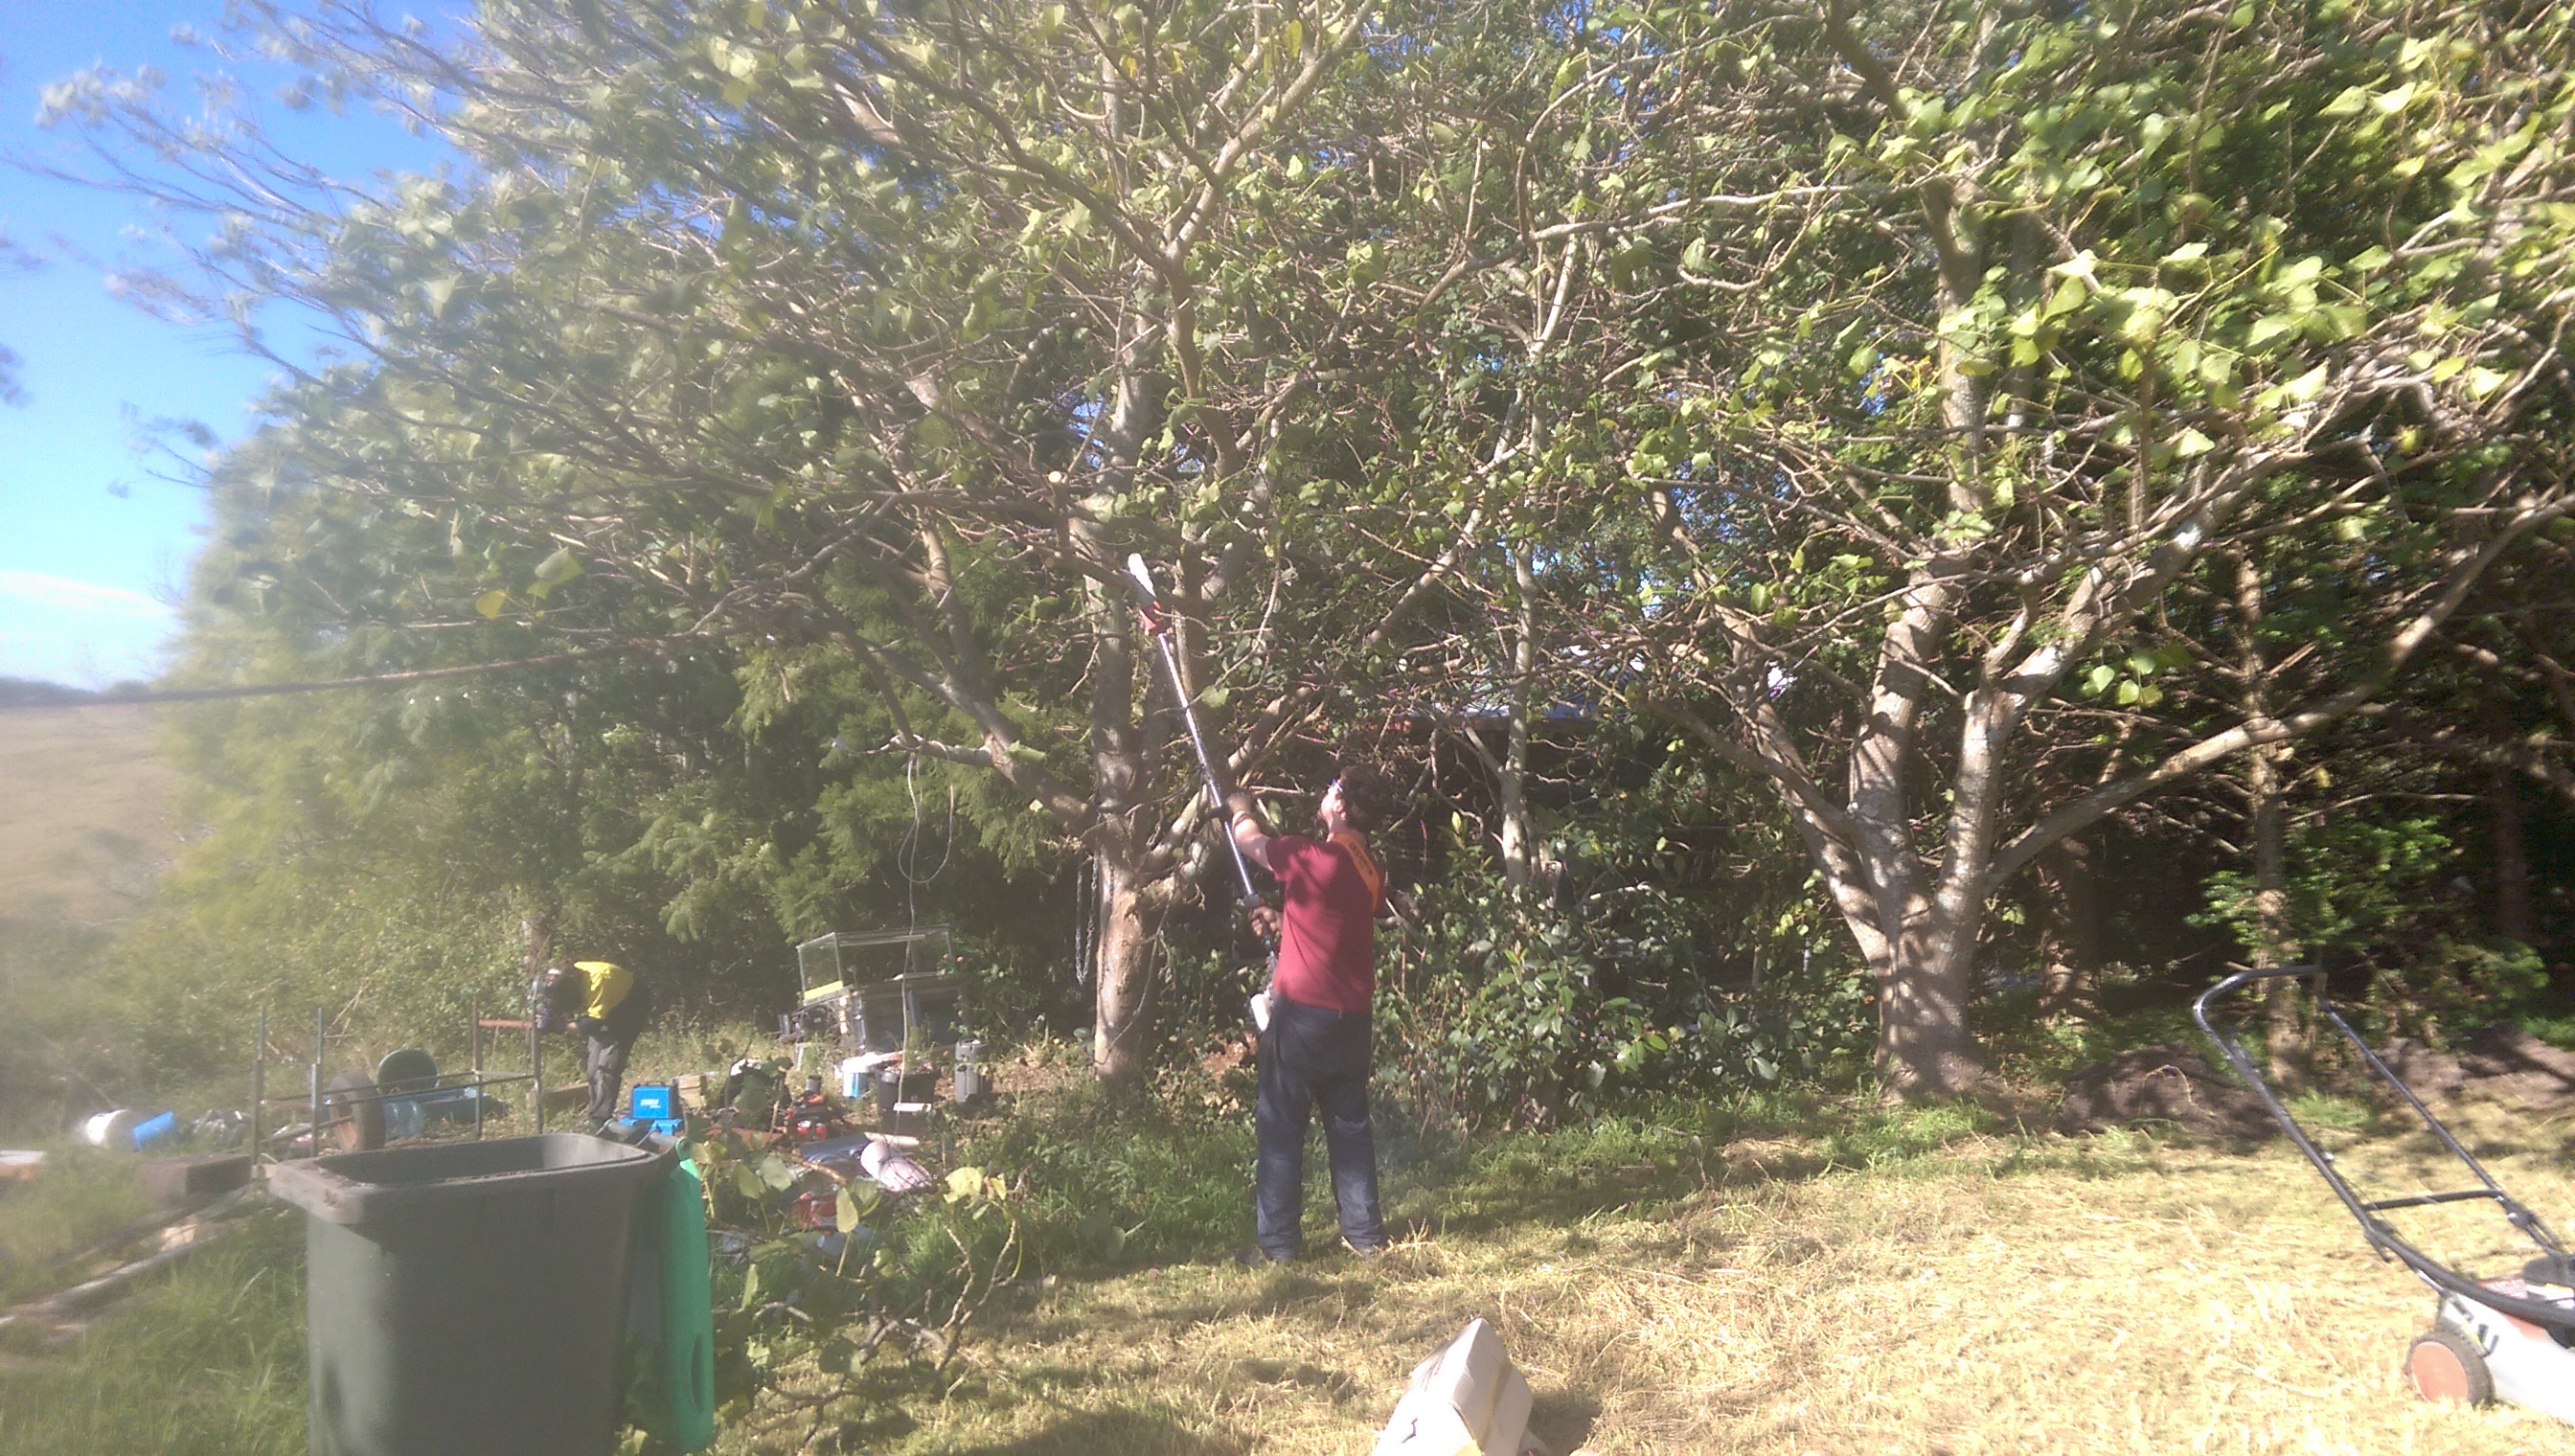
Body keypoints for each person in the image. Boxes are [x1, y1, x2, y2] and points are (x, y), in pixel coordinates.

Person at [1225, 765, 1397, 1263]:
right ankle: (1365, 1237)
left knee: (1281, 1129)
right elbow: (1333, 923)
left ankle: (1278, 1246)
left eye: (1332, 788)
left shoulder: (1310, 855)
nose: (1326, 792)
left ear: (1340, 806)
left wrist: (1238, 808)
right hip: (1353, 1020)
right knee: (1350, 1128)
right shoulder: (1372, 872)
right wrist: (1284, 920)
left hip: (1302, 1020)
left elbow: (1250, 842)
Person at [542, 960, 652, 1128]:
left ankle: (600, 1119)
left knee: (607, 1065)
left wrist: (561, 1027)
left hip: (629, 1005)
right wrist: (552, 1017)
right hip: (604, 1006)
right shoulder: (565, 982)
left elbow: (592, 1024)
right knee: (593, 1066)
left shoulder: (597, 983)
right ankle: (593, 1115)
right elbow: (560, 1004)